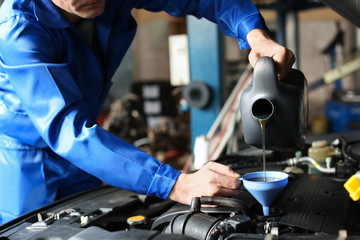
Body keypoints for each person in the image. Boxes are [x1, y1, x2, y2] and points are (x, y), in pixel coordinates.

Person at [0, 0, 295, 224]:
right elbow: (67, 129)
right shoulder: (18, 27)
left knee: (91, 225)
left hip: (90, 151)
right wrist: (175, 183)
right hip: (26, 159)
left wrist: (255, 34)